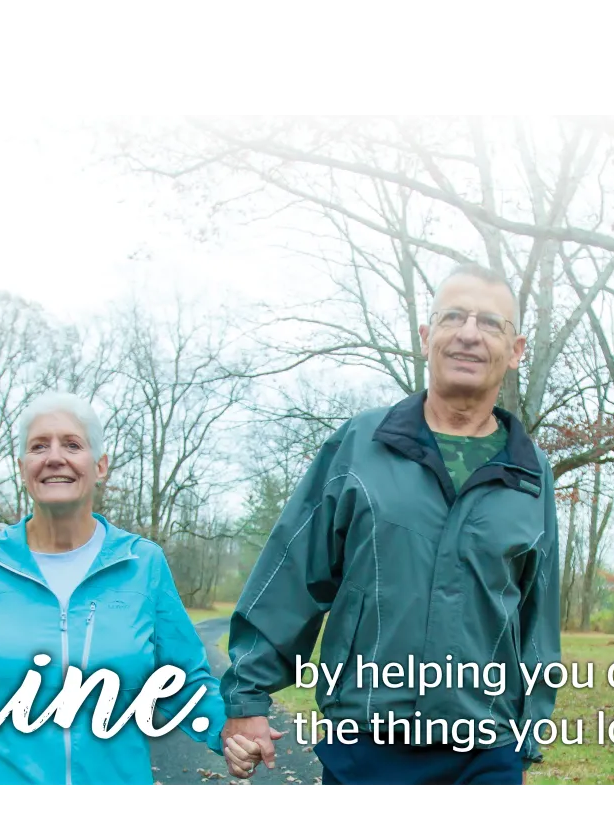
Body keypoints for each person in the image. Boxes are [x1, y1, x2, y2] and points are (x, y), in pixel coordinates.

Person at [221, 263, 561, 788]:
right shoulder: (360, 445)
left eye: (490, 323)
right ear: (427, 339)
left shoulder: (530, 470)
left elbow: (537, 614)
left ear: (514, 351)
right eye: (453, 317)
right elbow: (292, 574)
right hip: (366, 742)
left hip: (485, 750)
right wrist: (247, 697)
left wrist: (530, 727)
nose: (468, 333)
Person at [0, 391, 228, 786]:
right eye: (38, 446)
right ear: (23, 467)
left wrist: (230, 732)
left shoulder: (143, 564)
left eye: (72, 444)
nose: (54, 457)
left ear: (100, 467)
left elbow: (182, 678)